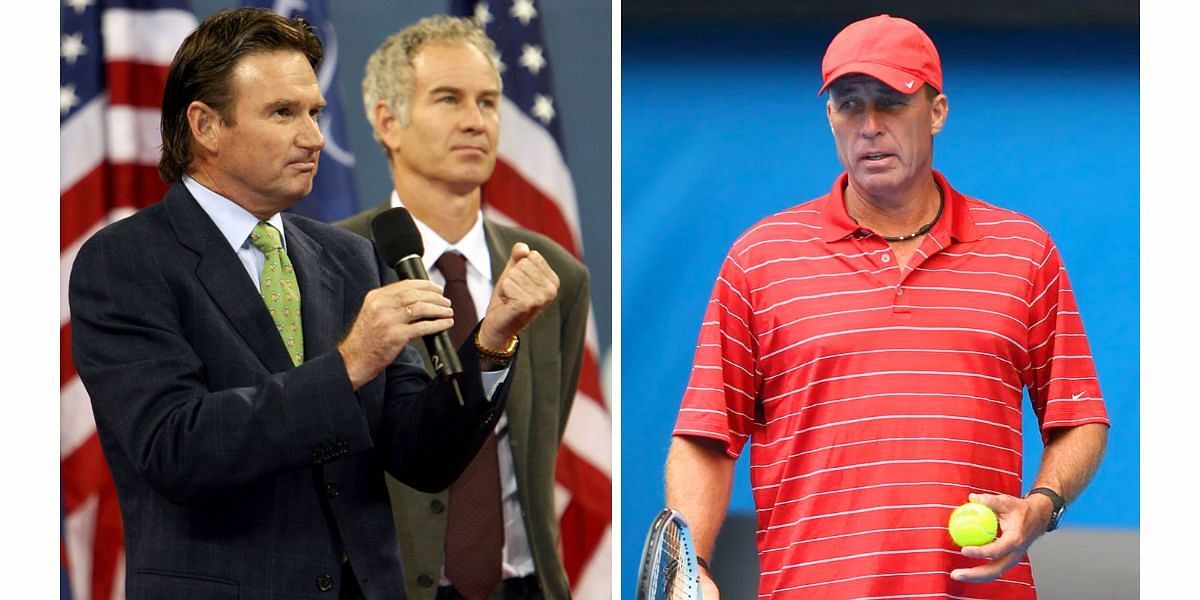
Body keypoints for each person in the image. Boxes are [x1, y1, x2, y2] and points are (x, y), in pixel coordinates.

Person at [68, 8, 559, 600]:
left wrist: (491, 339)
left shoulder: (351, 258)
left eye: (315, 113)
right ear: (205, 125)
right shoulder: (126, 260)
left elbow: (422, 459)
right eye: (283, 113)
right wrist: (350, 363)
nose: (315, 138)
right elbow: (176, 447)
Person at [665, 14, 1109, 599]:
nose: (869, 126)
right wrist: (687, 568)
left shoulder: (1024, 252)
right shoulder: (759, 259)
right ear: (830, 118)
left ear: (937, 111)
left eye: (892, 102)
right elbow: (705, 437)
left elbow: (1079, 415)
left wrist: (1041, 505)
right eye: (849, 105)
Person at [334, 16, 588, 600]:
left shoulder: (554, 276)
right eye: (449, 99)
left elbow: (542, 439)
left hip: (526, 587)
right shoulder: (333, 265)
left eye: (489, 102)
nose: (476, 120)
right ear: (387, 121)